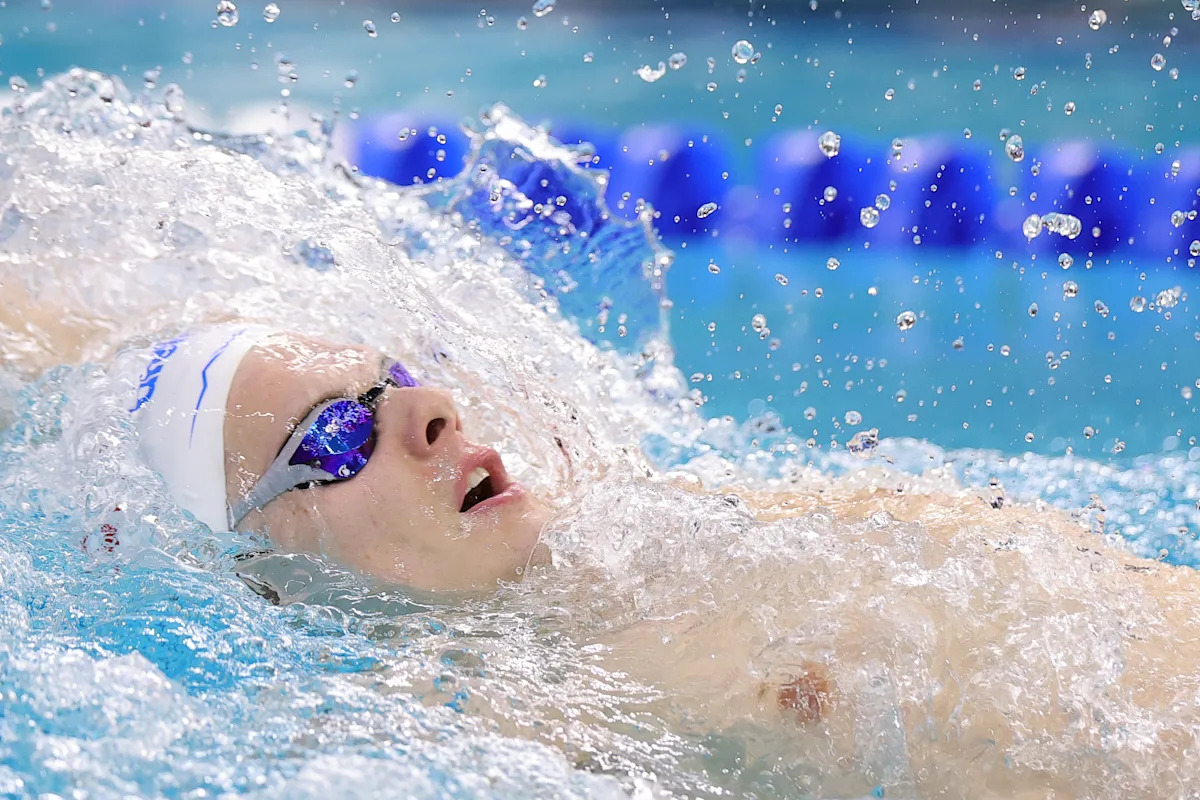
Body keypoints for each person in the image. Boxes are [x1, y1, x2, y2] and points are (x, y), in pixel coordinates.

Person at [60, 320, 1200, 793]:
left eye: (399, 381)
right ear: (266, 566)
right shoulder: (470, 728)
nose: (435, 411)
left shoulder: (667, 519)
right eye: (340, 432)